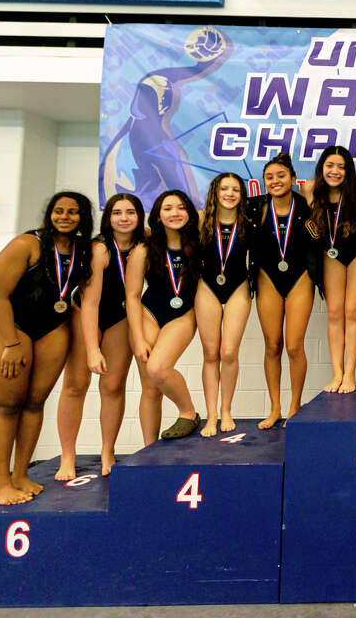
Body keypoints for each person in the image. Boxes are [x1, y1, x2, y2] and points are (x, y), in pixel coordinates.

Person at [0, 192, 92, 504]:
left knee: (34, 403)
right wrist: (11, 343)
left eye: (73, 211)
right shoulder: (26, 245)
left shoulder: (82, 249)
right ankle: (1, 482)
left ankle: (20, 474)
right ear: (49, 214)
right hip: (10, 329)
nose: (65, 216)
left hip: (52, 328)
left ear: (83, 217)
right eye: (58, 211)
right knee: (7, 404)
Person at [72, 193, 147, 476]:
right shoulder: (100, 248)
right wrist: (93, 349)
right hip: (87, 311)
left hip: (120, 315)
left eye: (130, 212)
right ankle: (69, 456)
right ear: (108, 217)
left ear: (139, 216)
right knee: (76, 385)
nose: (124, 218)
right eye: (117, 212)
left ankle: (107, 450)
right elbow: (91, 302)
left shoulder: (144, 244)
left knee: (113, 386)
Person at [125, 190, 201, 441]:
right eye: (167, 208)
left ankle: (188, 412)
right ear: (157, 214)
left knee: (158, 368)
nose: (175, 213)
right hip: (150, 312)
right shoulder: (144, 249)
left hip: (182, 314)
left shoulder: (200, 243)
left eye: (181, 207)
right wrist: (137, 338)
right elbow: (133, 296)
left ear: (189, 212)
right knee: (150, 386)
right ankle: (149, 448)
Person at [248, 152, 315, 428]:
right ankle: (275, 408)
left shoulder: (307, 205)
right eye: (269, 177)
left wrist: (311, 196)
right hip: (267, 277)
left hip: (300, 276)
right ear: (264, 182)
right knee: (272, 344)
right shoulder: (255, 208)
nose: (275, 181)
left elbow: (323, 228)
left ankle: (294, 405)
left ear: (292, 179)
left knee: (294, 345)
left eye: (281, 176)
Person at [308, 146, 356, 394]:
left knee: (352, 312)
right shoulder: (310, 190)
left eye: (341, 167)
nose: (335, 171)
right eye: (330, 166)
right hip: (330, 254)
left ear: (349, 170)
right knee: (334, 313)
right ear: (322, 168)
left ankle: (350, 373)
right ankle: (337, 373)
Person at [196, 172, 251, 437]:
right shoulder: (201, 219)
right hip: (207, 287)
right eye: (225, 189)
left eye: (235, 190)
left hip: (238, 286)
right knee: (210, 353)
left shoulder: (248, 222)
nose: (230, 194)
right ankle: (212, 415)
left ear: (242, 195)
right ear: (215, 192)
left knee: (229, 352)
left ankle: (226, 409)